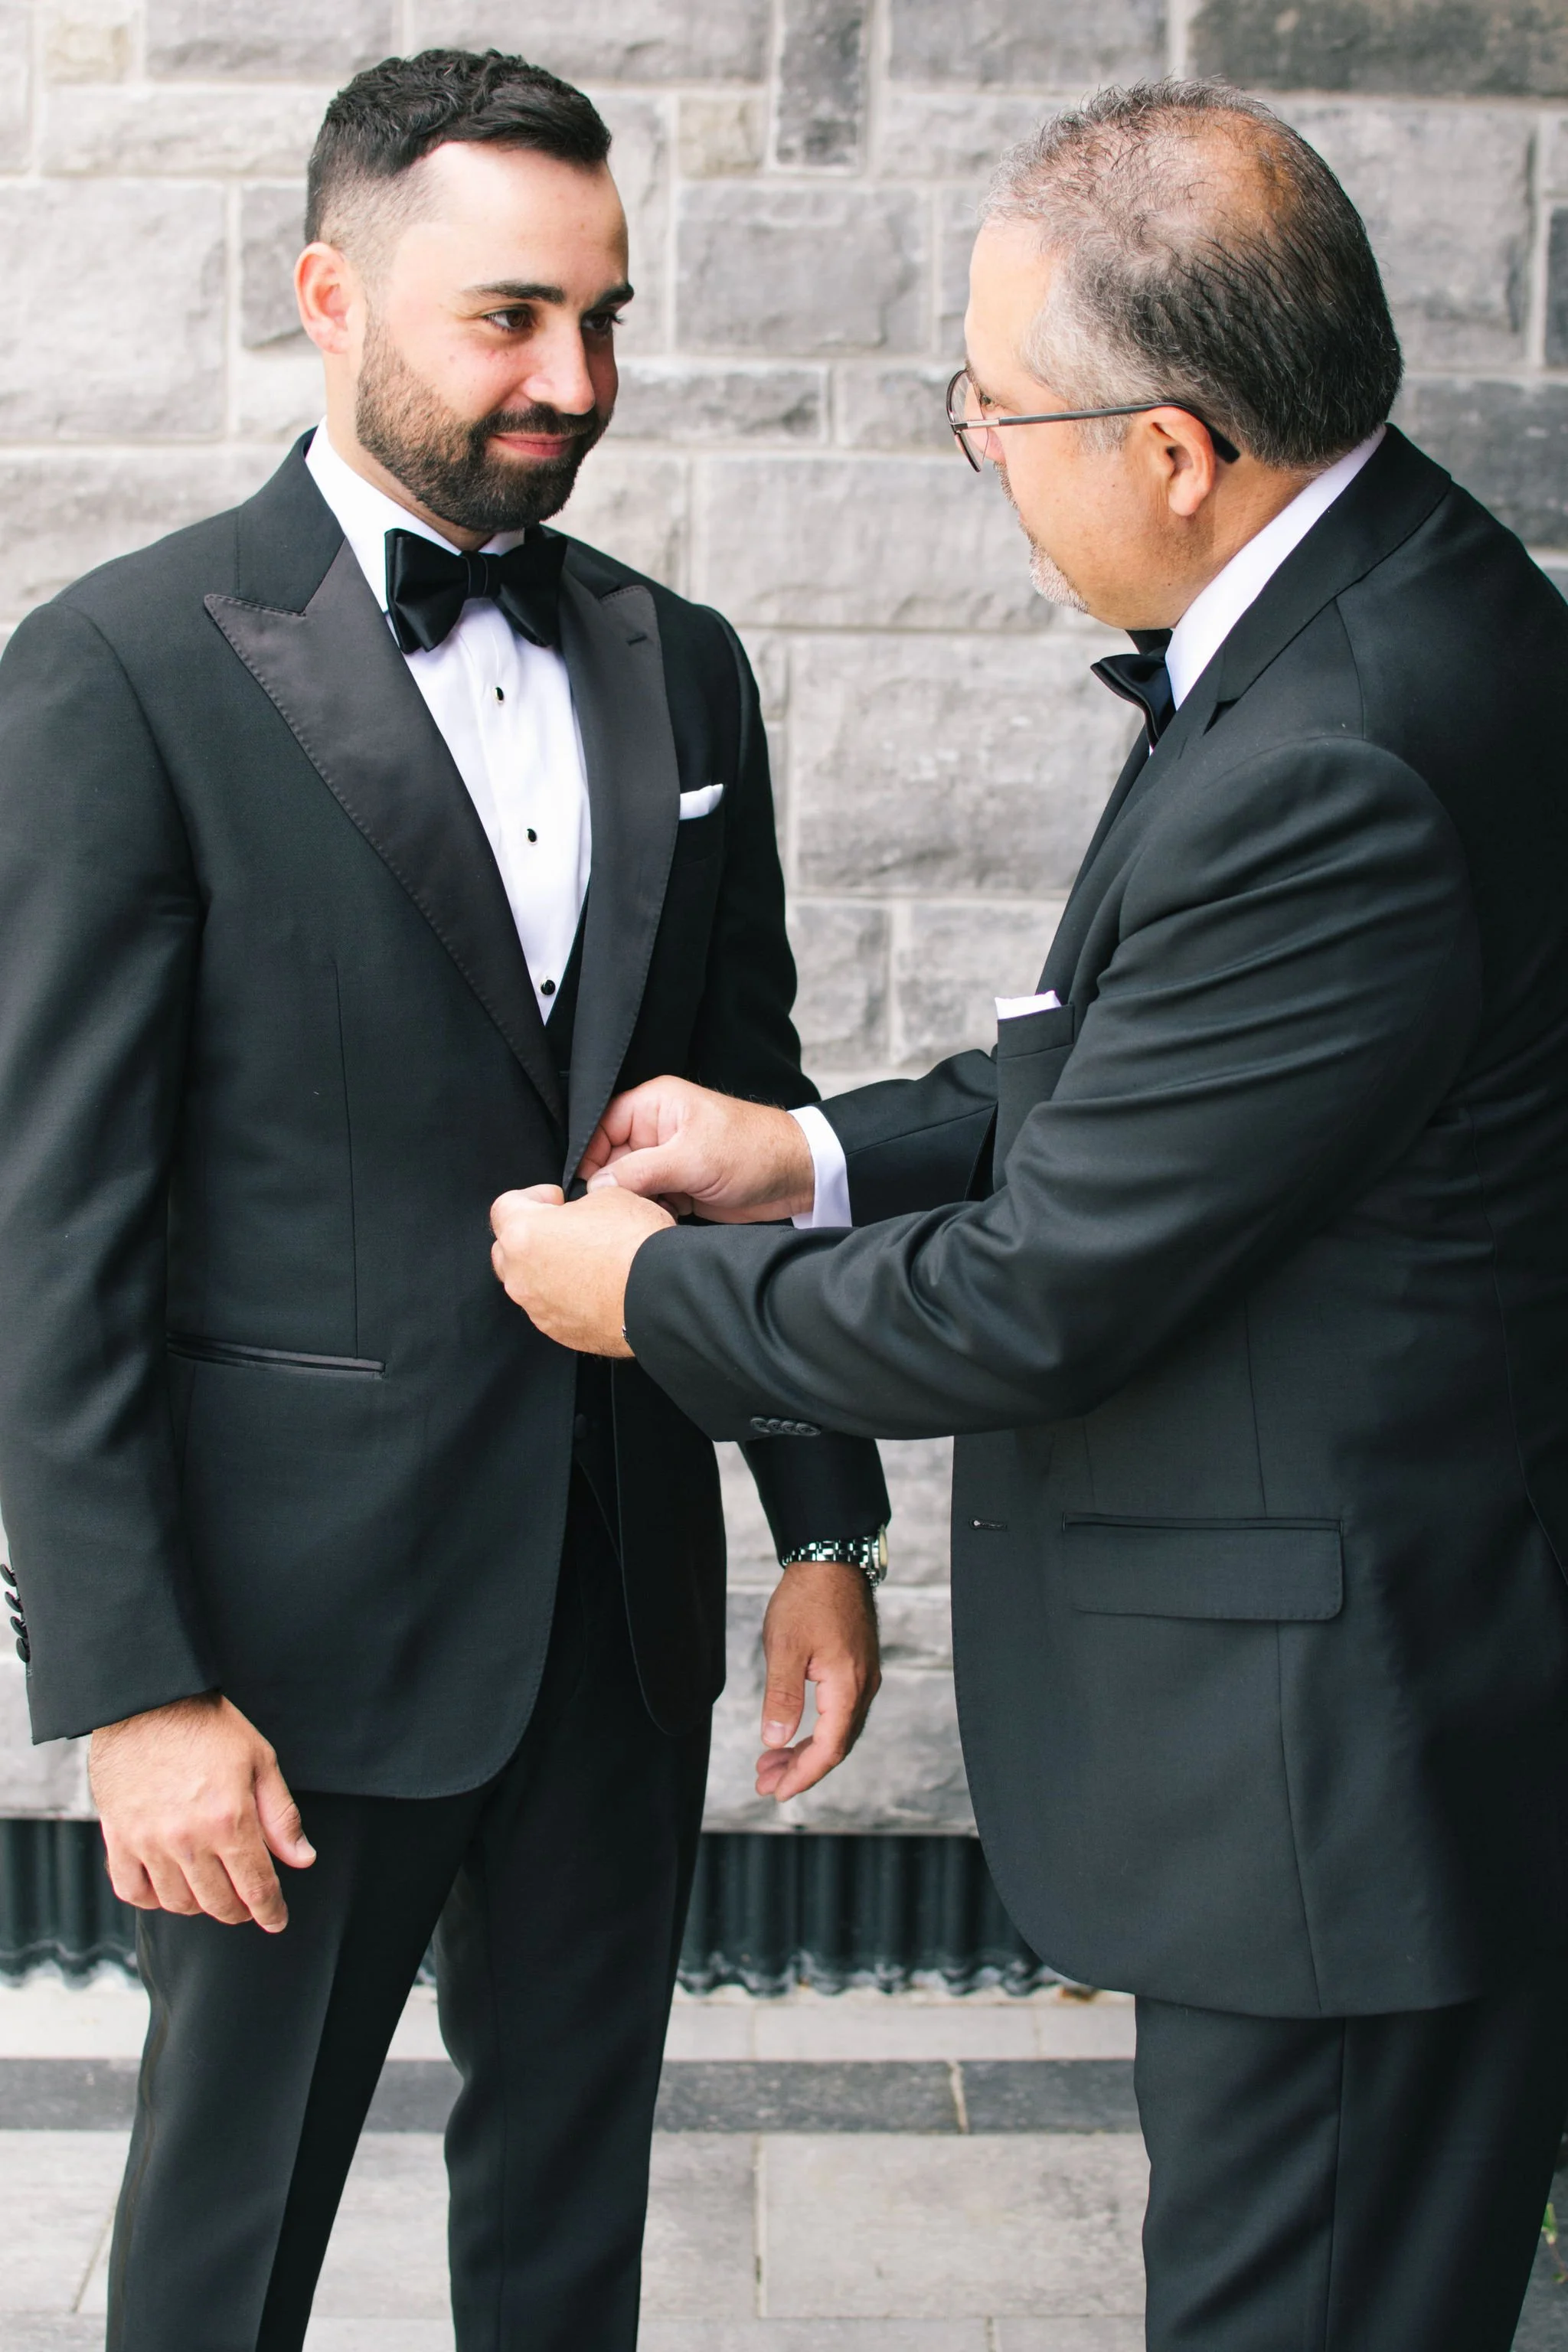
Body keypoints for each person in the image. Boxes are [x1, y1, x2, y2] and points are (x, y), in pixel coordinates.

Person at [490, 78, 1568, 2352]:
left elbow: (1048, 1293)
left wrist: (654, 1295)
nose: (981, 455)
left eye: (994, 414)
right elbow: (1134, 1060)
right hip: (1358, 1734)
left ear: (1172, 448)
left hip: (1339, 1784)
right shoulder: (1375, 599)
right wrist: (813, 1150)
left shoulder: (1344, 743)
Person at [0, 46, 888, 2352]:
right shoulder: (118, 669)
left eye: (604, 318)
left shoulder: (681, 664)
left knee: (571, 2231)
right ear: (329, 290)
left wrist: (818, 1524)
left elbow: (750, 1115)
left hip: (611, 1601)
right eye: (509, 317)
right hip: (285, 1657)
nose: (571, 380)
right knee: (223, 2243)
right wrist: (136, 1686)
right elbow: (52, 1227)